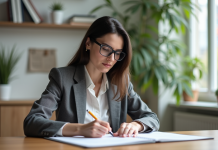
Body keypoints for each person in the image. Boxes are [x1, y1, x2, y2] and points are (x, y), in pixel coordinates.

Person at [23, 16, 160, 138]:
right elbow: (32, 121)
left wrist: (136, 125)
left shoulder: (121, 82)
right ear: (88, 43)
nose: (111, 59)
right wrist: (80, 129)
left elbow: (151, 118)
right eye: (106, 49)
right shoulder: (62, 78)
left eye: (117, 53)